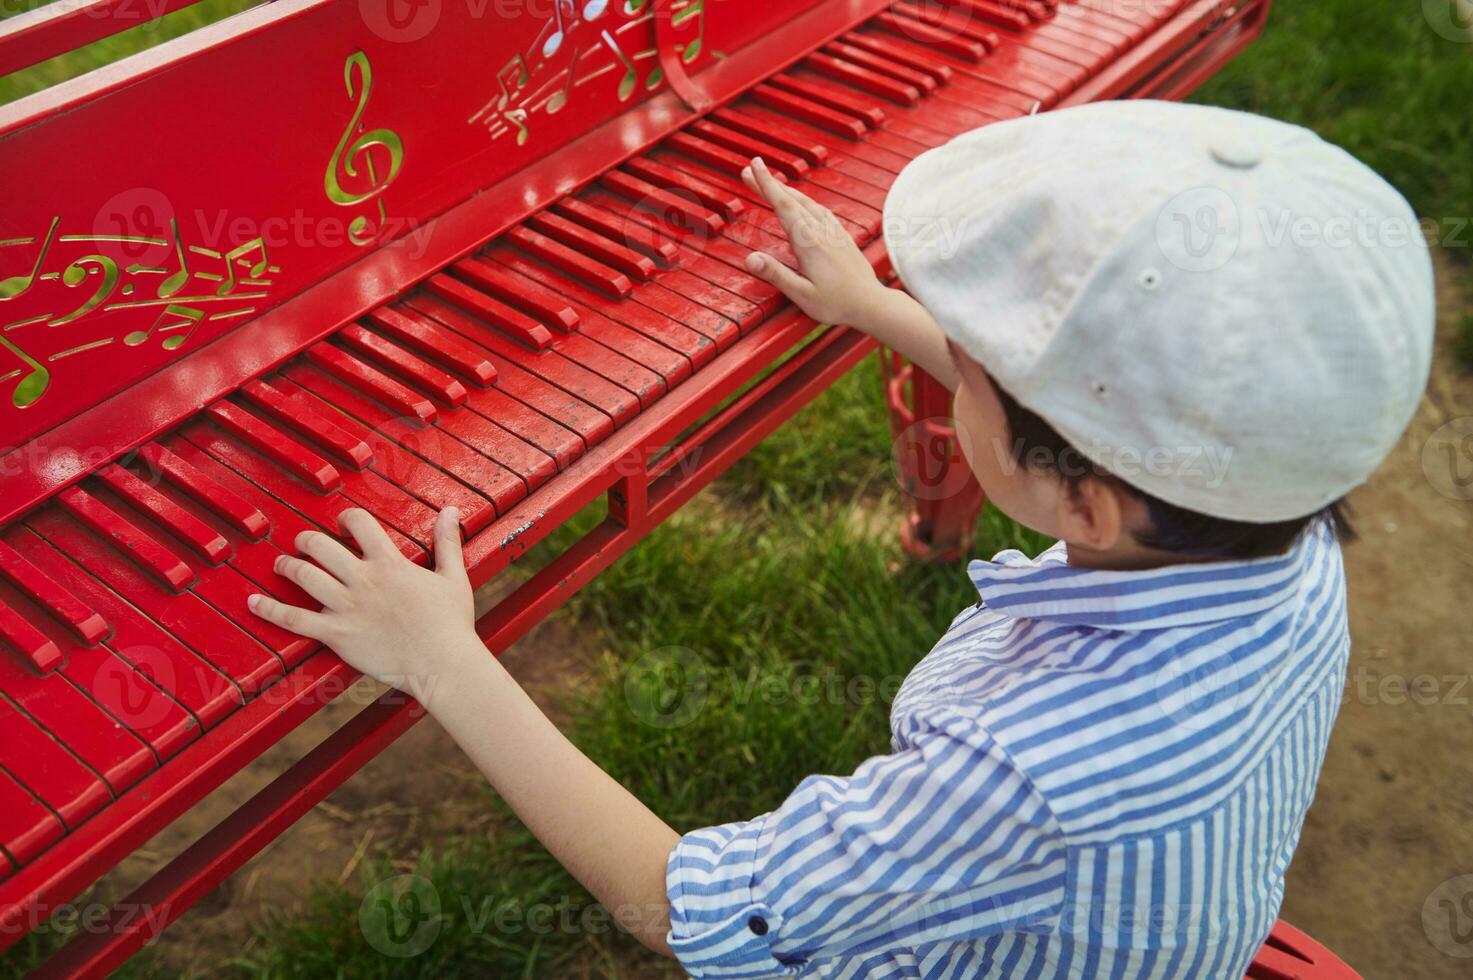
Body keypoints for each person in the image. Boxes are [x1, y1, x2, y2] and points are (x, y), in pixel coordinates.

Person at [250, 100, 1434, 977]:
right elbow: (1110, 442)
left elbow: (690, 907)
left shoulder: (1024, 770)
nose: (953, 360)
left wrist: (441, 655)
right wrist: (874, 310)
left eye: (968, 366)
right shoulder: (1282, 536)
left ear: (1088, 506)